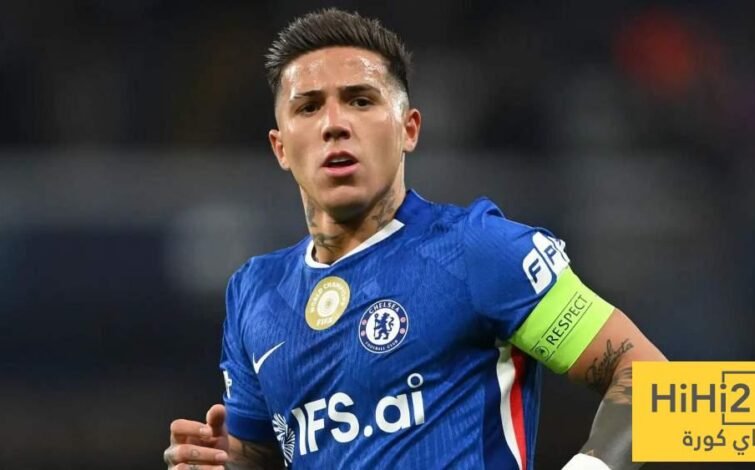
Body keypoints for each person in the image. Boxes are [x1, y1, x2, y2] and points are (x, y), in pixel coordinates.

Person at [163, 8, 666, 470]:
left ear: (409, 129)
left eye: (360, 100)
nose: (334, 124)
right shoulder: (254, 293)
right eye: (309, 107)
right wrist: (221, 463)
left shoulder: (477, 251)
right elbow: (260, 458)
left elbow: (658, 383)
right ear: (280, 147)